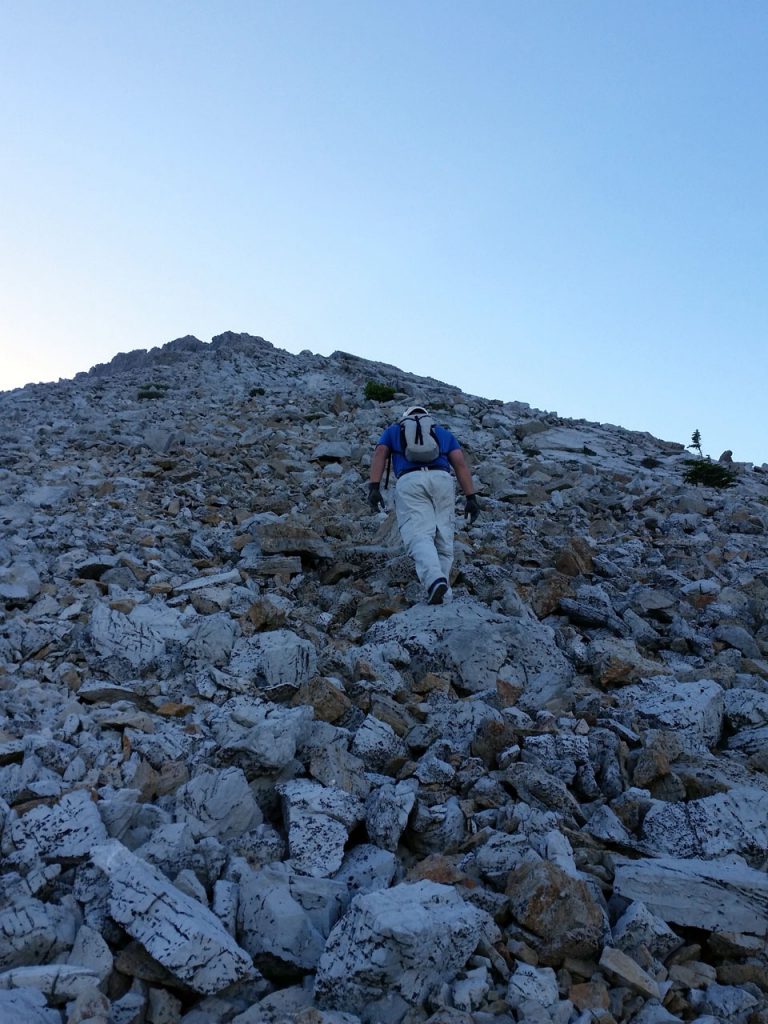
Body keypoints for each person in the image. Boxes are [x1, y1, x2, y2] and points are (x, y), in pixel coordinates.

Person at [367, 405, 480, 605]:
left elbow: (380, 454)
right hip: (442, 480)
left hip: (410, 481)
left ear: (406, 418)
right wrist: (471, 497)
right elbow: (460, 463)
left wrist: (374, 487)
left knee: (419, 534)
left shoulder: (394, 430)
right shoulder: (441, 432)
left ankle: (433, 580)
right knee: (443, 539)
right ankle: (443, 595)